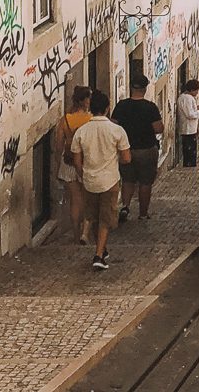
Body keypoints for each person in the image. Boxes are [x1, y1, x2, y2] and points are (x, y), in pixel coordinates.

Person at [71, 89, 131, 271]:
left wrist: (85, 174)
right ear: (107, 108)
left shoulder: (81, 131)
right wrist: (114, 160)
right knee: (105, 218)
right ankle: (98, 255)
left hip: (89, 181)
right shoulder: (116, 130)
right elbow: (127, 158)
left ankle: (102, 249)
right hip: (110, 180)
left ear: (91, 109)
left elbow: (76, 161)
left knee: (94, 216)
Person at [112, 74, 163, 222]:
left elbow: (113, 125)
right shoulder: (150, 107)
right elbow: (159, 128)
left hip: (126, 149)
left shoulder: (121, 106)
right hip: (146, 149)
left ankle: (125, 207)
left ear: (131, 87)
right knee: (145, 182)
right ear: (145, 89)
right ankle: (142, 213)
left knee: (128, 180)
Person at [53, 85, 92, 244]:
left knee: (75, 200)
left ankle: (76, 235)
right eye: (88, 98)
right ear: (84, 101)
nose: (90, 101)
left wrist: (58, 163)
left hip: (68, 163)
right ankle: (85, 233)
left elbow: (58, 145)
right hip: (85, 162)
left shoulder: (65, 119)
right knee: (87, 199)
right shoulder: (90, 119)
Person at [177, 79, 199, 167]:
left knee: (189, 150)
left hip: (189, 129)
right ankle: (189, 166)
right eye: (196, 91)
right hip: (188, 129)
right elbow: (190, 114)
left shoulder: (184, 97)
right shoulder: (187, 98)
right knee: (190, 151)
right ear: (191, 90)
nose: (197, 93)